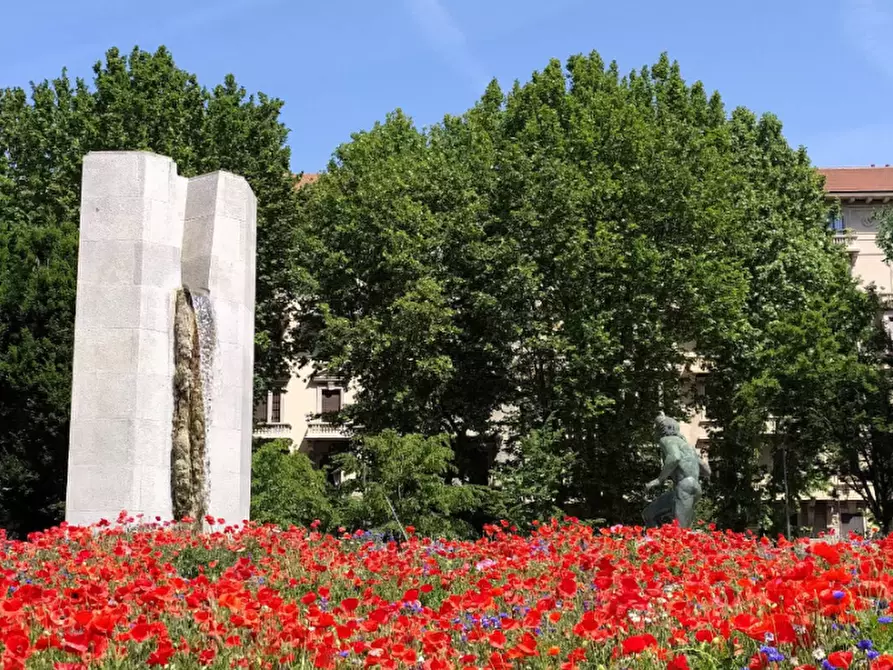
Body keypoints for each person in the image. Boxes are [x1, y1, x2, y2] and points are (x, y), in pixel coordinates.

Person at [642, 414, 710, 529]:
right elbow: (706, 469)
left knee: (681, 531)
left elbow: (674, 457)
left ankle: (661, 543)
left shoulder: (666, 440)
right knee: (649, 514)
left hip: (684, 487)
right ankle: (655, 540)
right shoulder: (688, 447)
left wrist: (659, 479)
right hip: (694, 488)